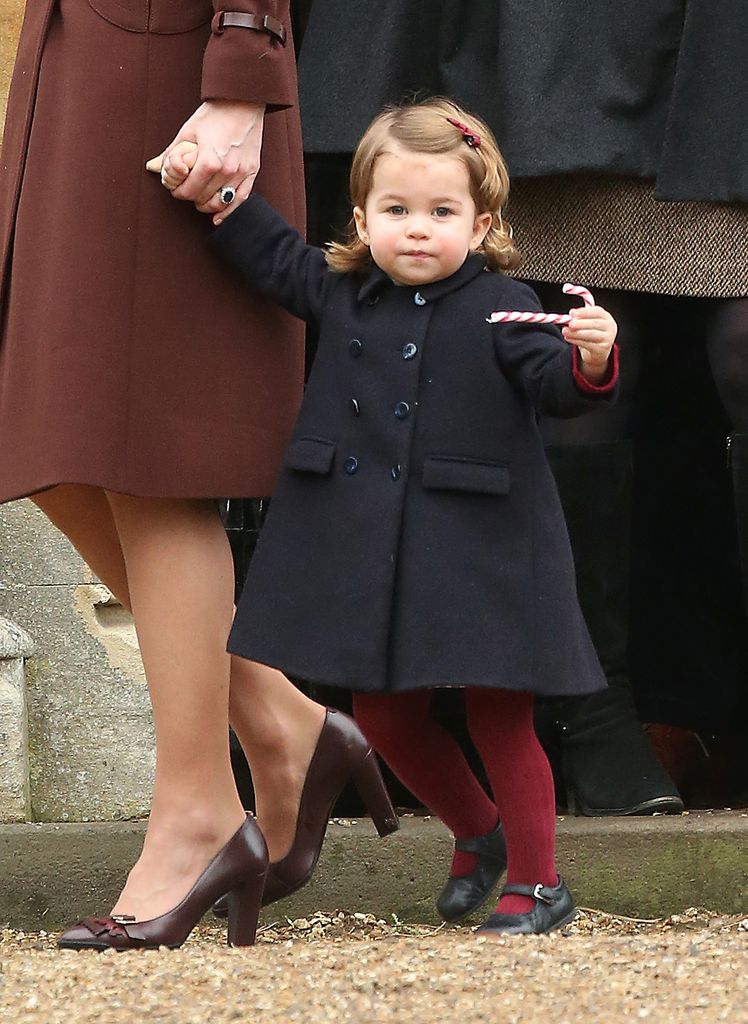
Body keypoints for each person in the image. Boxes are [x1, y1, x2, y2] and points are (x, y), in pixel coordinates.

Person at [160, 97, 620, 934]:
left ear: (480, 225)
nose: (417, 229)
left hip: (484, 548)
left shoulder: (505, 306)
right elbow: (271, 259)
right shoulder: (342, 293)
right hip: (370, 549)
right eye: (397, 211)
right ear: (363, 218)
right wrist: (215, 195)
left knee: (500, 712)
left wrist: (592, 355)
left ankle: (539, 881)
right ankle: (478, 833)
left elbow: (559, 387)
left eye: (442, 212)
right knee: (383, 715)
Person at [0, 1, 396, 951]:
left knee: (150, 455)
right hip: (76, 61)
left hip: (170, 62)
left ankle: (195, 811)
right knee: (47, 437)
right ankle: (283, 718)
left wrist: (243, 66)